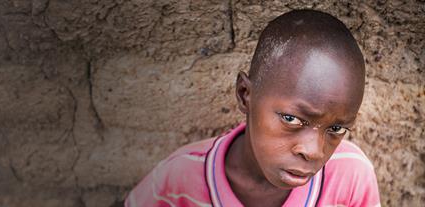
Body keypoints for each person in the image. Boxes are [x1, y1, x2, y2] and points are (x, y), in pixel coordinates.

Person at [125, 9, 380, 207]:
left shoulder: (351, 177)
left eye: (336, 128)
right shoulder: (179, 179)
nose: (313, 152)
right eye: (291, 118)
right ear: (245, 94)